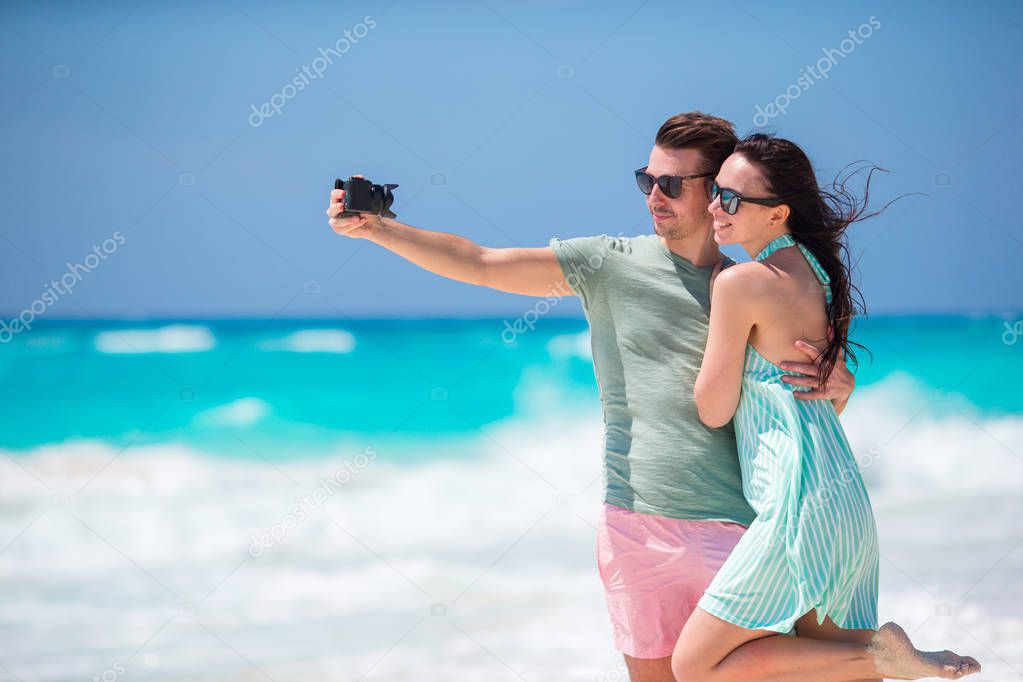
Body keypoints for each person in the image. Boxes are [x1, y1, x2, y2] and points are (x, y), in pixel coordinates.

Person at [326, 112, 856, 682]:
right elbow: (480, 263)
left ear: (716, 192)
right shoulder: (608, 263)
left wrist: (840, 387)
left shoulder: (755, 286)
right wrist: (380, 229)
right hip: (635, 527)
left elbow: (796, 413)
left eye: (673, 184)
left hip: (740, 529)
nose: (654, 195)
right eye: (645, 180)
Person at [670, 133, 981, 681]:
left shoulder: (740, 284)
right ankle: (886, 657)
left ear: (778, 214)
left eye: (733, 199)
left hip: (796, 505)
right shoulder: (820, 273)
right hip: (841, 500)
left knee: (695, 666)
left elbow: (713, 409)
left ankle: (881, 655)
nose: (715, 207)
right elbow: (816, 403)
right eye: (716, 192)